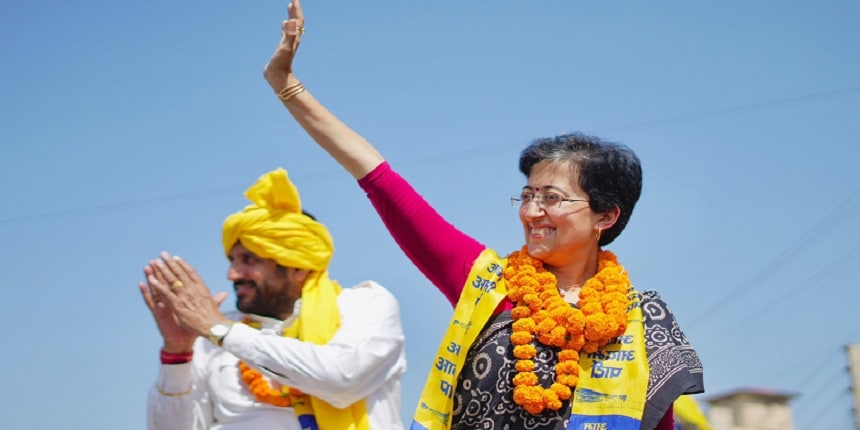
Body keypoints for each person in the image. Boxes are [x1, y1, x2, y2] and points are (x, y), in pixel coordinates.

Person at [262, 2, 704, 429]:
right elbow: (380, 180)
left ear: (605, 215)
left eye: (551, 198)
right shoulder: (488, 283)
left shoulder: (643, 321)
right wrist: (288, 87)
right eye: (527, 195)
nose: (532, 212)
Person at [138, 167, 408, 430]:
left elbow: (342, 378)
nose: (232, 274)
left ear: (298, 267)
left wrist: (221, 330)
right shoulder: (215, 334)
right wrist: (177, 353)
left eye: (249, 260)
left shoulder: (365, 305)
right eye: (232, 260)